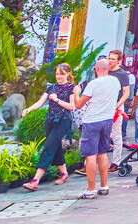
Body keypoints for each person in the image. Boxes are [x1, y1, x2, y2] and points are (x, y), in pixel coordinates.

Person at [23, 62, 79, 190]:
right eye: (57, 74)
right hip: (50, 120)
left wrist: (57, 100)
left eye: (61, 74)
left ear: (68, 74)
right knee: (55, 145)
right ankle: (64, 173)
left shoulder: (71, 87)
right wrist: (29, 109)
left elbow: (72, 107)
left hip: (63, 120)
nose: (58, 77)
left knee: (48, 147)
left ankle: (35, 180)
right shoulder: (51, 88)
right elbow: (40, 102)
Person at [74, 57, 122, 199]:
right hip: (107, 120)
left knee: (90, 155)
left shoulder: (93, 84)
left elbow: (78, 105)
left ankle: (91, 189)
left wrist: (77, 92)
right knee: (102, 153)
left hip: (92, 121)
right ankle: (104, 185)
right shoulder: (115, 82)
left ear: (96, 69)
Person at [106, 50, 132, 170]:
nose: (110, 61)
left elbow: (126, 93)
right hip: (104, 105)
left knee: (116, 135)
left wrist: (117, 105)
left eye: (113, 59)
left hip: (116, 106)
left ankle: (115, 162)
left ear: (118, 60)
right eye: (109, 58)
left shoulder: (122, 74)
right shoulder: (105, 71)